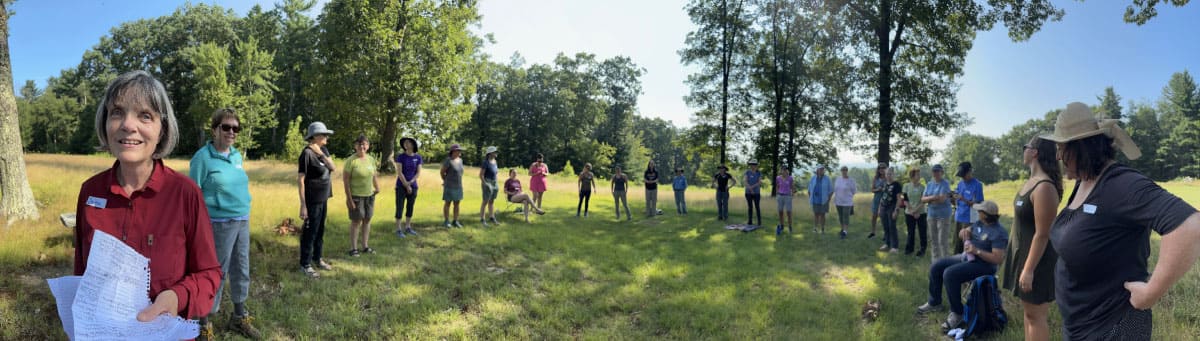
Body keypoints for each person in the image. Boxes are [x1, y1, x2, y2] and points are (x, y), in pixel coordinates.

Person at [74, 71, 220, 339]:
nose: (128, 125)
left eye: (144, 115)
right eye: (117, 112)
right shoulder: (90, 192)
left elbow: (209, 273)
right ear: (105, 122)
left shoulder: (185, 193)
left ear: (161, 128)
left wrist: (177, 297)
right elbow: (82, 272)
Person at [1042, 102, 1200, 340]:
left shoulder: (1120, 183)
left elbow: (1190, 226)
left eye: (1061, 147)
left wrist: (1151, 293)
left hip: (1115, 327)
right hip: (1080, 326)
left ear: (1081, 148)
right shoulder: (1083, 182)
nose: (1058, 156)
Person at [188, 108, 259, 338]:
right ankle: (204, 324)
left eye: (235, 128)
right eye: (226, 127)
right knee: (215, 273)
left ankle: (239, 317)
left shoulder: (237, 156)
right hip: (217, 224)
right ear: (215, 129)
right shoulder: (203, 158)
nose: (231, 132)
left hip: (242, 221)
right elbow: (193, 195)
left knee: (241, 269)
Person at [999, 136, 1062, 341]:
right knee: (1029, 314)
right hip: (1024, 258)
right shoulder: (1031, 182)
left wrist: (1028, 269)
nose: (1023, 150)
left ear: (1034, 152)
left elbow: (1043, 233)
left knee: (1036, 316)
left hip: (1037, 262)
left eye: (1025, 147)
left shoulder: (1044, 187)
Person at [916, 201, 1009, 330]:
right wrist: (964, 232)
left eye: (980, 211)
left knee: (949, 274)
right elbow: (963, 233)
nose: (977, 212)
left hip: (984, 265)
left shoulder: (999, 232)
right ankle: (934, 302)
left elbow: (997, 259)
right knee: (936, 266)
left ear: (985, 215)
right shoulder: (979, 223)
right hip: (967, 257)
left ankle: (957, 313)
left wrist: (976, 251)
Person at [298, 121, 336, 278]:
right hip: (312, 199)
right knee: (310, 232)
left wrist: (320, 153)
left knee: (320, 230)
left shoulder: (323, 150)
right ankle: (305, 264)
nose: (326, 137)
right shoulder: (306, 153)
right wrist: (303, 205)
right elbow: (301, 180)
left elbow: (333, 167)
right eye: (324, 134)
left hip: (324, 197)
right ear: (315, 136)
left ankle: (317, 258)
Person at [344, 134, 380, 256]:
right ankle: (353, 249)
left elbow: (374, 175)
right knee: (356, 221)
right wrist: (349, 200)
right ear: (355, 146)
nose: (362, 146)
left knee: (367, 220)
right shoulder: (351, 161)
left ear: (368, 146)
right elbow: (346, 181)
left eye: (364, 144)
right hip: (356, 196)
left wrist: (377, 187)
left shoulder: (371, 159)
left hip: (369, 196)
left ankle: (365, 246)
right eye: (359, 144)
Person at [922, 164, 954, 261]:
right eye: (934, 171)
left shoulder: (945, 183)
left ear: (942, 172)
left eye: (938, 171)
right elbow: (923, 199)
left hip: (943, 215)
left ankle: (945, 263)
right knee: (933, 240)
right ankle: (935, 262)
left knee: (942, 240)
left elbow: (942, 199)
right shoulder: (929, 184)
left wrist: (929, 198)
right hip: (931, 215)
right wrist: (933, 197)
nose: (936, 173)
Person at [953, 161, 984, 254]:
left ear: (970, 171)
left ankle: (966, 262)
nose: (962, 177)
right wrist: (952, 197)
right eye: (961, 175)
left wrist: (964, 199)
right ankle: (955, 261)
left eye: (964, 175)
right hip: (959, 217)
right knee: (957, 242)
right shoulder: (960, 184)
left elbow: (978, 204)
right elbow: (956, 198)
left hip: (969, 219)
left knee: (967, 243)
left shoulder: (977, 185)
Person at [393, 137, 422, 237]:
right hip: (401, 186)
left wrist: (410, 183)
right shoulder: (401, 157)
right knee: (399, 207)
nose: (406, 144)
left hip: (413, 186)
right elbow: (399, 172)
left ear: (413, 145)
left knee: (410, 207)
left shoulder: (418, 158)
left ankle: (408, 227)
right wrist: (406, 184)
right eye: (405, 143)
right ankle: (398, 229)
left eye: (408, 142)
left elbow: (418, 173)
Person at [902, 168, 928, 256]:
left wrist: (916, 211)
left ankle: (922, 250)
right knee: (911, 231)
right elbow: (905, 200)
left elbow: (923, 201)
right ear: (912, 176)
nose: (919, 176)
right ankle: (909, 249)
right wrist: (911, 211)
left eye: (919, 174)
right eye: (917, 174)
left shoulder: (923, 187)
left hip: (921, 213)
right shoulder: (906, 186)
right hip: (909, 213)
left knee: (922, 232)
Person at [877, 167, 902, 253]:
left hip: (892, 207)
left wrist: (896, 210)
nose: (888, 176)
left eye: (890, 174)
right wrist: (879, 209)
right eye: (887, 174)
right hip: (883, 207)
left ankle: (895, 247)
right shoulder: (885, 184)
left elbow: (899, 199)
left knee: (892, 226)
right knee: (885, 226)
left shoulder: (897, 184)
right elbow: (882, 197)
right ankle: (887, 244)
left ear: (893, 174)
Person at [441, 144, 465, 228]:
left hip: (458, 185)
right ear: (453, 151)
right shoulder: (448, 160)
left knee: (457, 203)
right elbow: (442, 172)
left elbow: (461, 172)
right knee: (448, 203)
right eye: (458, 150)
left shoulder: (460, 160)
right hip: (449, 185)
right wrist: (445, 180)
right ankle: (446, 221)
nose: (459, 152)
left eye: (459, 150)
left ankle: (455, 221)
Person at [834, 166, 857, 239]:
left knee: (846, 216)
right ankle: (842, 229)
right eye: (842, 170)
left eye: (845, 170)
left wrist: (848, 196)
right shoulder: (838, 179)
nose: (844, 171)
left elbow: (854, 191)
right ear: (841, 171)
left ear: (847, 171)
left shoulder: (851, 180)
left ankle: (845, 231)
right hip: (838, 201)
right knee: (840, 216)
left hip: (847, 202)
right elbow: (836, 189)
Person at [480, 146, 501, 227]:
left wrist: (496, 183)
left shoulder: (495, 161)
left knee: (491, 201)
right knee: (485, 201)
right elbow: (481, 175)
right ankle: (482, 219)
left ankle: (492, 217)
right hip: (487, 181)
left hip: (494, 182)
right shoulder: (486, 162)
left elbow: (496, 173)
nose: (496, 153)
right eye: (495, 152)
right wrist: (485, 184)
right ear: (490, 153)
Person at [809, 165, 833, 234]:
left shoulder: (827, 179)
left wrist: (828, 200)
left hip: (824, 200)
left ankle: (822, 229)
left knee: (823, 215)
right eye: (820, 169)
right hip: (815, 200)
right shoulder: (813, 178)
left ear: (823, 171)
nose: (821, 171)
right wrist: (811, 197)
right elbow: (809, 189)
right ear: (817, 170)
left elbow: (831, 190)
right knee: (816, 214)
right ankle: (815, 228)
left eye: (822, 169)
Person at [775, 166, 795, 236]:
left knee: (788, 212)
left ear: (787, 171)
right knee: (780, 212)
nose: (783, 171)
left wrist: (792, 194)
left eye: (785, 170)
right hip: (780, 196)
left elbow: (792, 187)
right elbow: (777, 186)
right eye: (782, 170)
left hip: (787, 196)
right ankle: (782, 226)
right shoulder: (778, 178)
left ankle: (790, 227)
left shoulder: (790, 178)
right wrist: (777, 194)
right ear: (781, 171)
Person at [869, 163, 887, 238]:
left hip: (885, 199)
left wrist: (884, 189)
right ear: (878, 170)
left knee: (884, 217)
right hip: (876, 199)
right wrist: (877, 189)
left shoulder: (887, 178)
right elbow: (872, 189)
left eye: (883, 168)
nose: (881, 170)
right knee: (874, 216)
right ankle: (873, 232)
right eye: (880, 168)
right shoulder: (875, 178)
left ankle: (885, 233)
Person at [744, 160, 763, 226]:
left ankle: (759, 222)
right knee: (750, 207)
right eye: (751, 164)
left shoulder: (759, 173)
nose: (753, 166)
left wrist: (752, 188)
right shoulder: (747, 172)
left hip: (756, 193)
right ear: (750, 165)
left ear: (756, 165)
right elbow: (745, 181)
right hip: (748, 193)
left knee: (757, 207)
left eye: (754, 165)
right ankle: (750, 221)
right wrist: (750, 188)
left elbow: (759, 182)